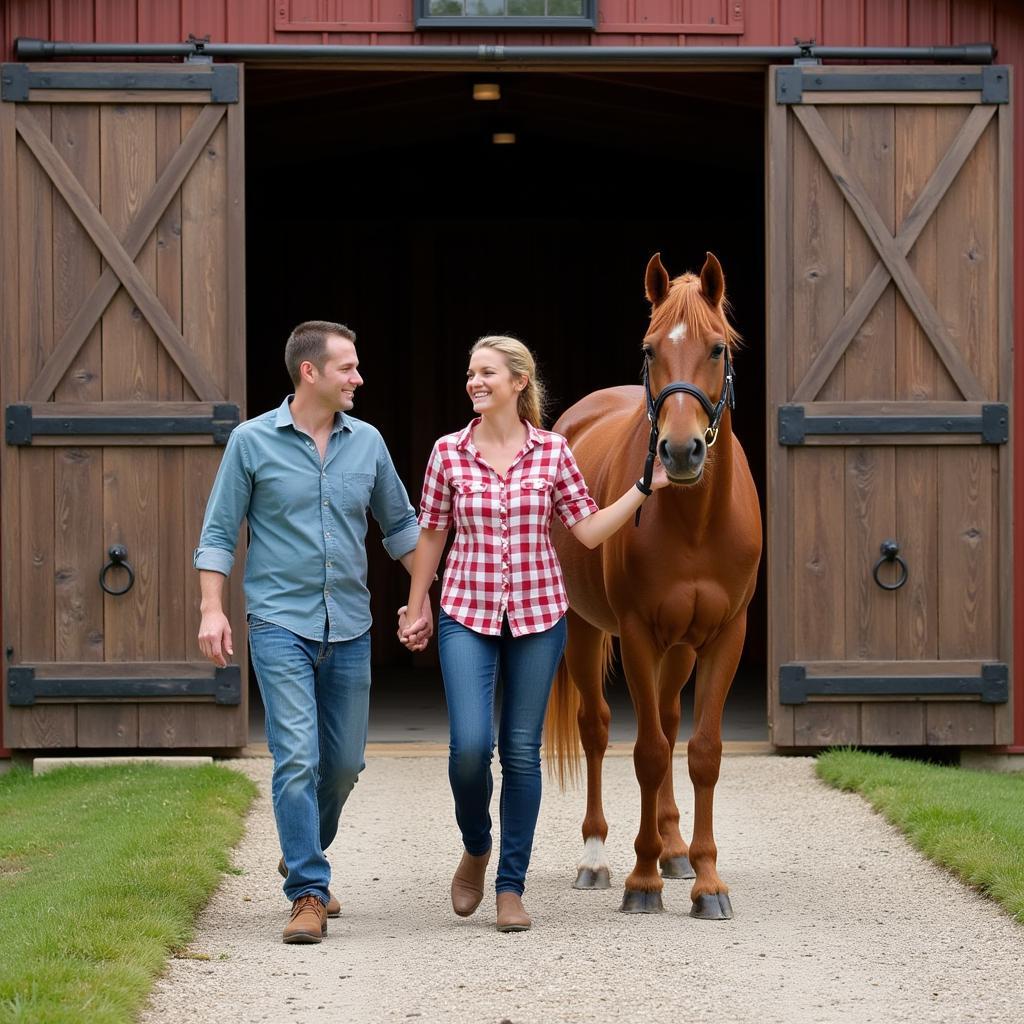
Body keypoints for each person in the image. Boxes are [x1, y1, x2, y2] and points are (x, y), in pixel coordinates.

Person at [397, 335, 668, 932]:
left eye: (486, 373)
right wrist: (416, 605)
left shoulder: (553, 452)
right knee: (470, 748)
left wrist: (644, 488)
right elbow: (432, 535)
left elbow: (590, 531)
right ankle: (477, 844)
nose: (474, 382)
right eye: (471, 373)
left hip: (541, 615)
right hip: (465, 612)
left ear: (519, 382)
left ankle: (510, 887)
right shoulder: (448, 453)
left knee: (521, 753)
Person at [195, 320, 428, 944]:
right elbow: (219, 533)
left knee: (345, 764)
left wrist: (428, 595)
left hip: (349, 626)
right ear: (310, 373)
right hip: (278, 623)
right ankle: (307, 891)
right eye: (348, 367)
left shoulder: (369, 443)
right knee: (296, 756)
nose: (359, 377)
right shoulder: (250, 443)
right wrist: (211, 609)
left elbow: (402, 529)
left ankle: (302, 846)